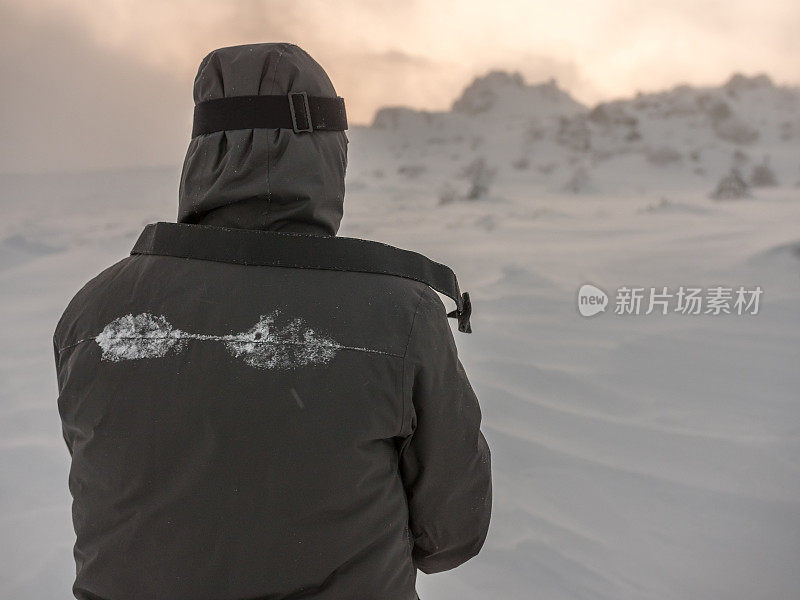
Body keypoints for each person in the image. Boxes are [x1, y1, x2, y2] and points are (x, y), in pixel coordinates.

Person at [53, 42, 491, 600]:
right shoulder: (402, 318)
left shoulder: (92, 313)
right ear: (329, 159)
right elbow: (451, 535)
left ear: (204, 153)